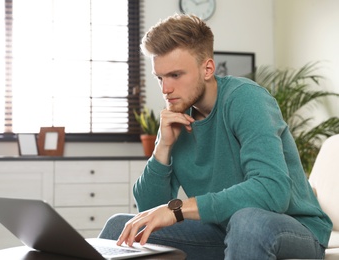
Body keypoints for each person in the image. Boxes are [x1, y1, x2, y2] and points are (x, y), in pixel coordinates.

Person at [99, 14, 332, 259]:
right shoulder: (177, 117)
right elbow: (149, 211)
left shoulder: (245, 100)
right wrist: (163, 146)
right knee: (120, 227)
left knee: (248, 220)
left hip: (295, 230)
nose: (166, 89)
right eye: (160, 77)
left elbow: (272, 191)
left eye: (176, 75)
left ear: (208, 68)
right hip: (223, 230)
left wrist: (180, 209)